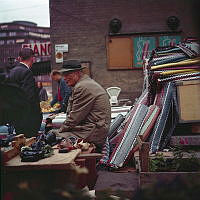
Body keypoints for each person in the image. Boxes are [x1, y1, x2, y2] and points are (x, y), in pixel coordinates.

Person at [55, 59, 111, 152]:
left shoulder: (83, 87)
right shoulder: (84, 83)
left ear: (77, 73)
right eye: (64, 75)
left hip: (92, 132)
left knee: (54, 136)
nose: (64, 78)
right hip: (92, 129)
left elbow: (74, 118)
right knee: (55, 135)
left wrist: (59, 131)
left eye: (67, 74)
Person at [6, 47, 42, 137]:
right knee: (30, 145)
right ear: (32, 58)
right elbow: (28, 96)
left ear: (20, 58)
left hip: (16, 117)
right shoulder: (27, 72)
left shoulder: (12, 72)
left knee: (21, 144)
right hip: (29, 119)